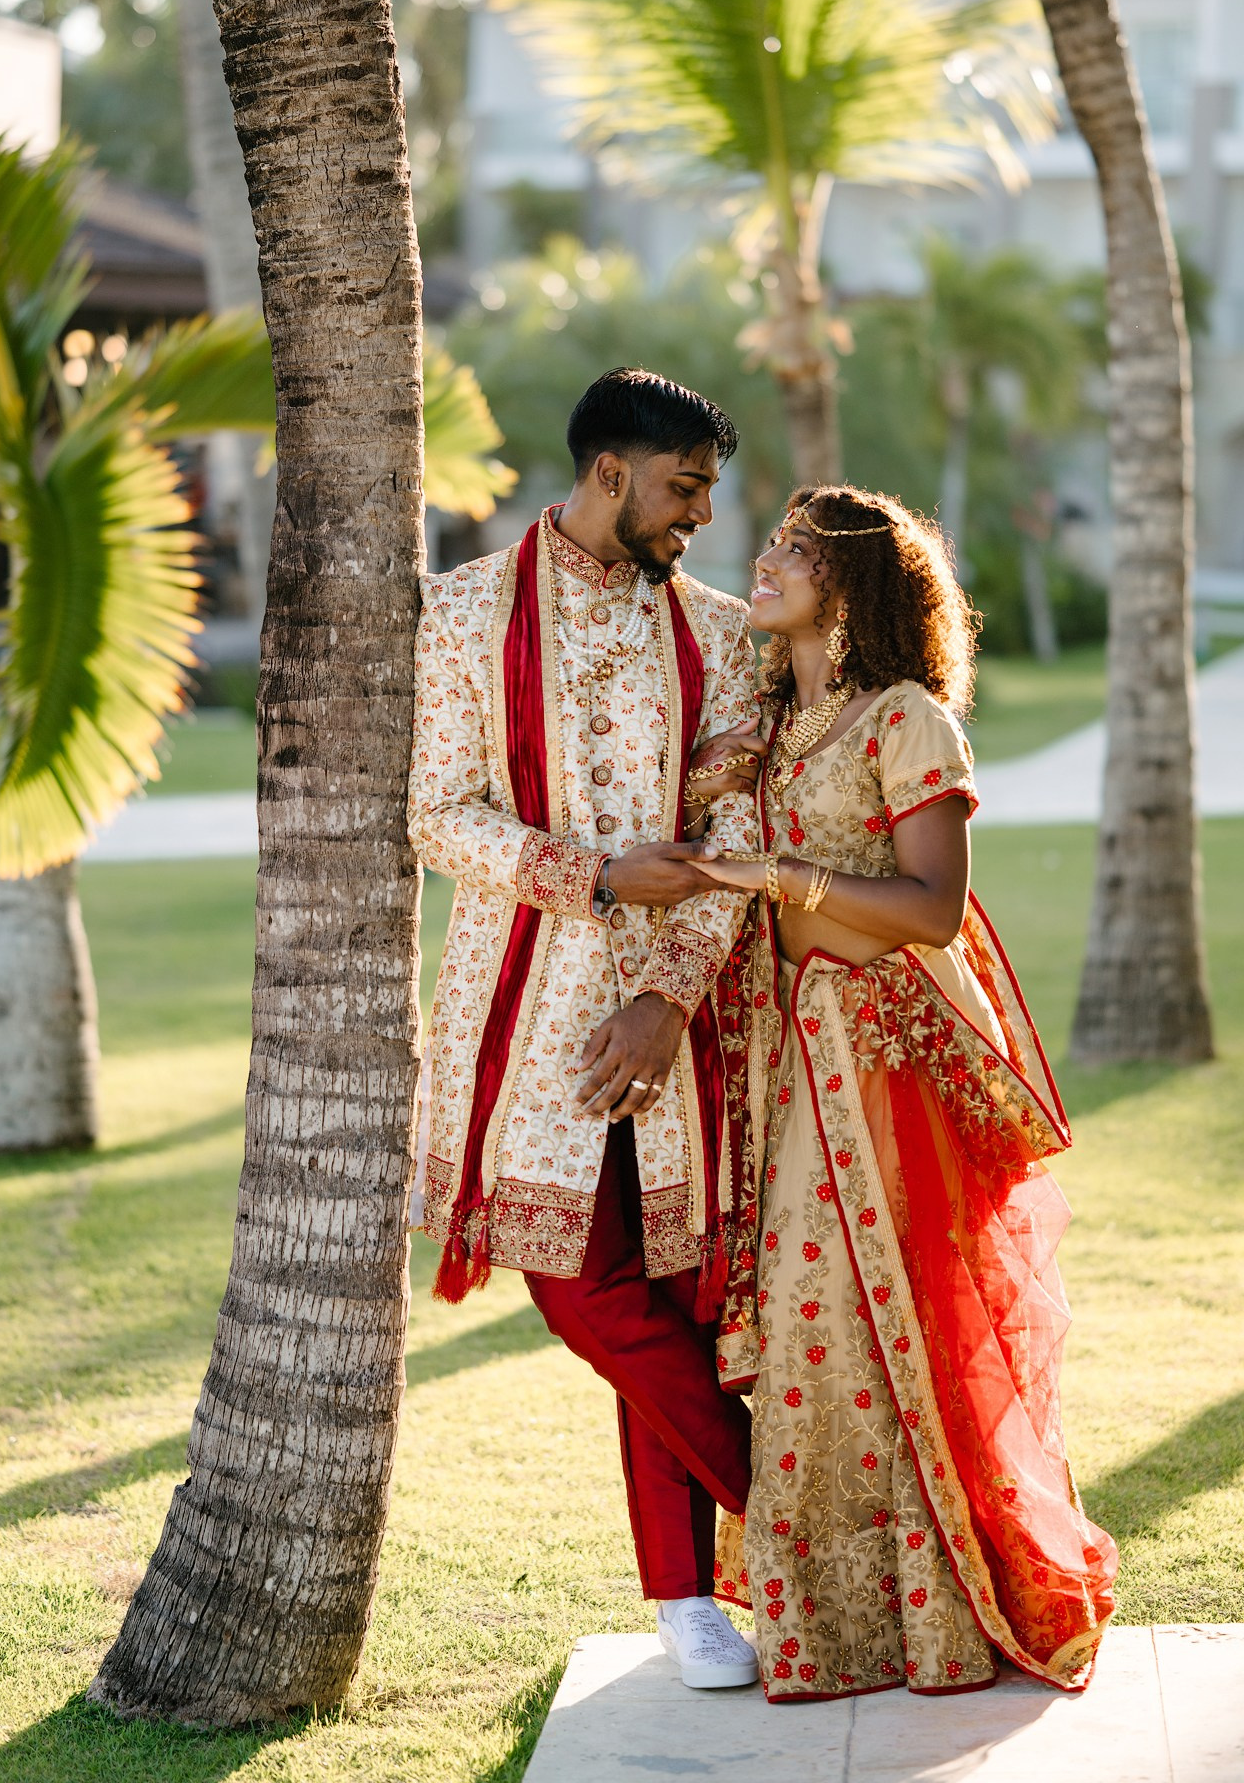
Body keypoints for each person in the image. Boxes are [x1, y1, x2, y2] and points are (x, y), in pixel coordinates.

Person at [697, 485, 1118, 1701]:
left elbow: (931, 907)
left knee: (892, 1323)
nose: (764, 562)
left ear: (855, 585)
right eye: (769, 543)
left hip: (884, 1065)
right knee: (806, 1329)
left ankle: (934, 1611)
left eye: (793, 552)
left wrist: (778, 876)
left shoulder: (905, 721)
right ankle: (834, 1618)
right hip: (795, 1059)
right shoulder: (778, 721)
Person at [407, 368, 765, 1688]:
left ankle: (687, 1604)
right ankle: (790, 1519)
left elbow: (739, 835)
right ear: (612, 471)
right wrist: (600, 876)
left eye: (710, 496)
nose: (699, 521)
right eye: (684, 490)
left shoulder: (724, 636)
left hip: (686, 1020)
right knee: (582, 1290)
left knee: (681, 1291)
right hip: (525, 1012)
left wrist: (665, 997)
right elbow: (438, 813)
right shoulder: (460, 614)